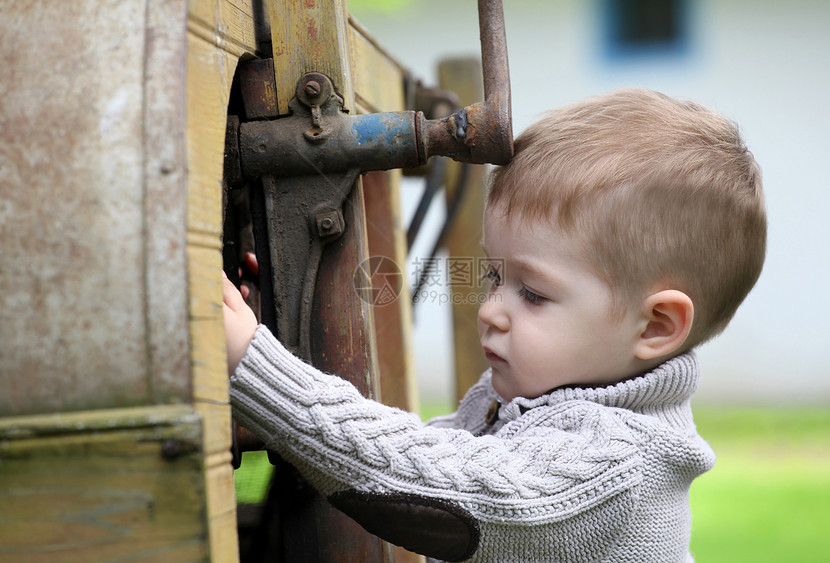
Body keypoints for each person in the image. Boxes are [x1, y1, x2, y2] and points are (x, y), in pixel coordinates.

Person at [222, 88, 766, 562]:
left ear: (655, 327)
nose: (489, 310)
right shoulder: (540, 394)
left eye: (532, 292)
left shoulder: (615, 463)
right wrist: (279, 329)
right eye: (492, 275)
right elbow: (410, 449)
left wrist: (255, 364)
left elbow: (421, 485)